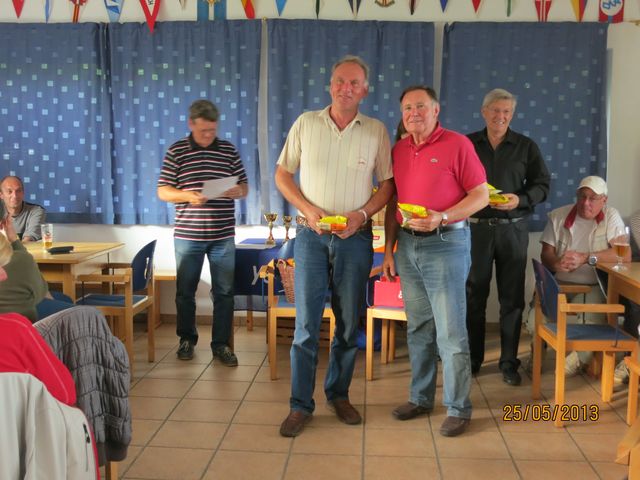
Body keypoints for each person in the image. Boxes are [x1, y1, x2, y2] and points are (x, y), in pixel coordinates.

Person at [275, 55, 394, 437]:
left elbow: (388, 185)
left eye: (354, 83)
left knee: (347, 324)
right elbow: (282, 174)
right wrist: (307, 209)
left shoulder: (375, 130)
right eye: (340, 81)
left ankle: (338, 395)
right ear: (330, 86)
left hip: (355, 239)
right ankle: (300, 405)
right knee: (306, 326)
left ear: (365, 90)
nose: (346, 88)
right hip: (311, 237)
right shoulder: (306, 123)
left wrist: (362, 214)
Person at [383, 85, 488, 437]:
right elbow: (393, 202)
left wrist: (442, 217)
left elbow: (481, 195)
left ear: (436, 110)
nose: (413, 113)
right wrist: (389, 250)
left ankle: (458, 408)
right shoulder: (398, 150)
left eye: (421, 106)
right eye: (407, 108)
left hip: (446, 244)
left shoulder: (458, 144)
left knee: (450, 332)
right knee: (418, 328)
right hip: (408, 246)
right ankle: (420, 398)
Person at [465, 88, 550, 386]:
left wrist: (520, 199)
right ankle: (473, 359)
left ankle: (508, 363)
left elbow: (542, 185)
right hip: (475, 229)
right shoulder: (467, 144)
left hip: (513, 229)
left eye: (506, 112)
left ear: (512, 115)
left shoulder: (526, 146)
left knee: (512, 299)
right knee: (473, 295)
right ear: (484, 112)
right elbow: (452, 179)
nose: (500, 116)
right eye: (495, 110)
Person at [157, 99, 248, 365]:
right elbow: (163, 191)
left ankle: (221, 345)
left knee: (224, 293)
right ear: (191, 124)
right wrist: (187, 195)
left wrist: (238, 190)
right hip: (188, 235)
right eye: (203, 130)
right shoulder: (177, 150)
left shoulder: (228, 150)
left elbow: (244, 186)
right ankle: (186, 340)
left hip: (223, 235)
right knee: (185, 292)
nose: (208, 135)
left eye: (212, 130)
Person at [539, 175, 627, 375]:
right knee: (535, 318)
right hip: (559, 283)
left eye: (592, 198)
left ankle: (578, 360)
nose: (586, 202)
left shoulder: (610, 215)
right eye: (582, 196)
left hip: (592, 285)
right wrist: (556, 263)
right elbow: (546, 255)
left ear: (604, 200)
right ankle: (538, 351)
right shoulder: (558, 215)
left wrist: (586, 258)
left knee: (594, 324)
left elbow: (624, 254)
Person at [0, 215, 50, 322]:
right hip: (24, 323)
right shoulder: (21, 259)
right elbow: (40, 295)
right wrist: (14, 240)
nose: (3, 276)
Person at [0, 175, 46, 242]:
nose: (15, 196)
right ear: (1, 195)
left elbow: (29, 239)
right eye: (9, 191)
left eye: (18, 191)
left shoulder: (36, 211)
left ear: (23, 193)